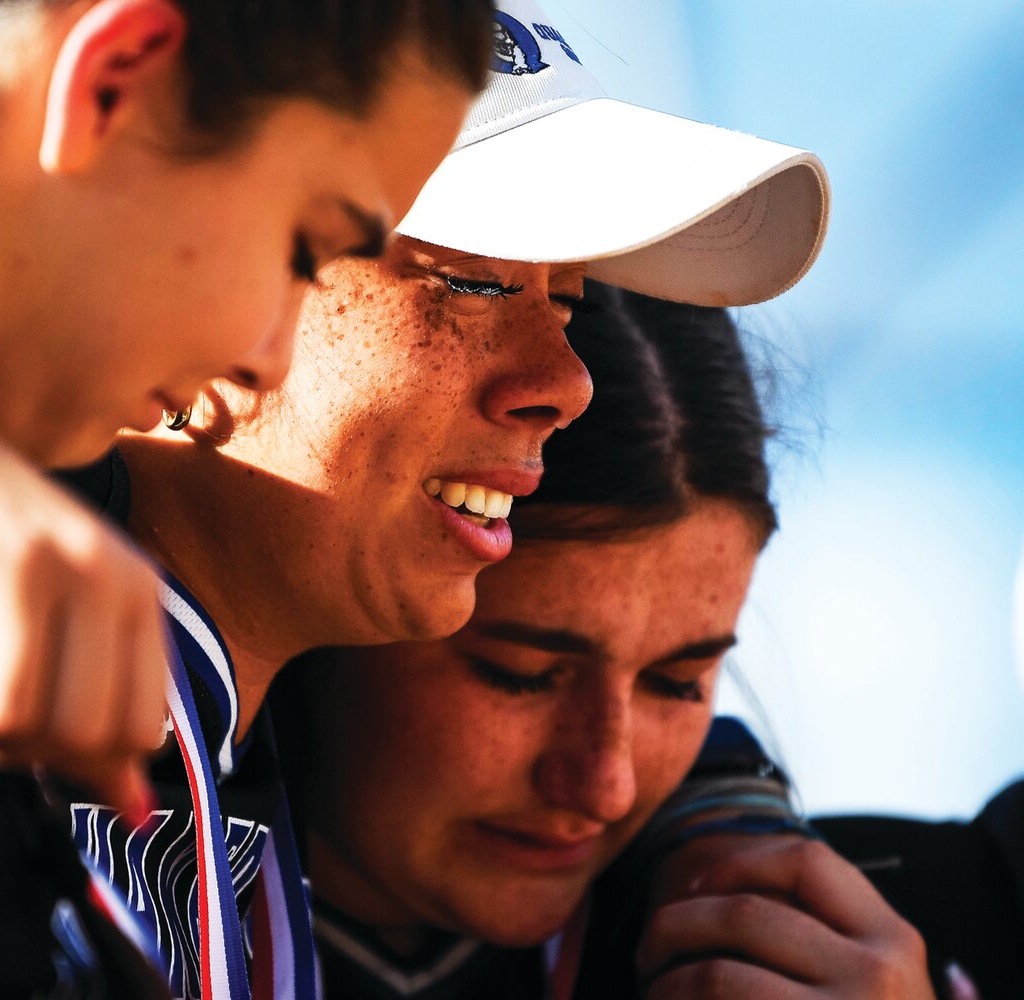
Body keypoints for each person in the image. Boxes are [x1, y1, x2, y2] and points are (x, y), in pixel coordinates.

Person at [0, 3, 832, 997]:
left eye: (572, 301)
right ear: (114, 90)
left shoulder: (218, 700)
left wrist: (724, 829)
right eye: (317, 238)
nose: (568, 386)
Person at [280, 286, 988, 999]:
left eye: (680, 683)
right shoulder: (169, 921)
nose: (606, 785)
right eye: (522, 675)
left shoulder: (925, 921)